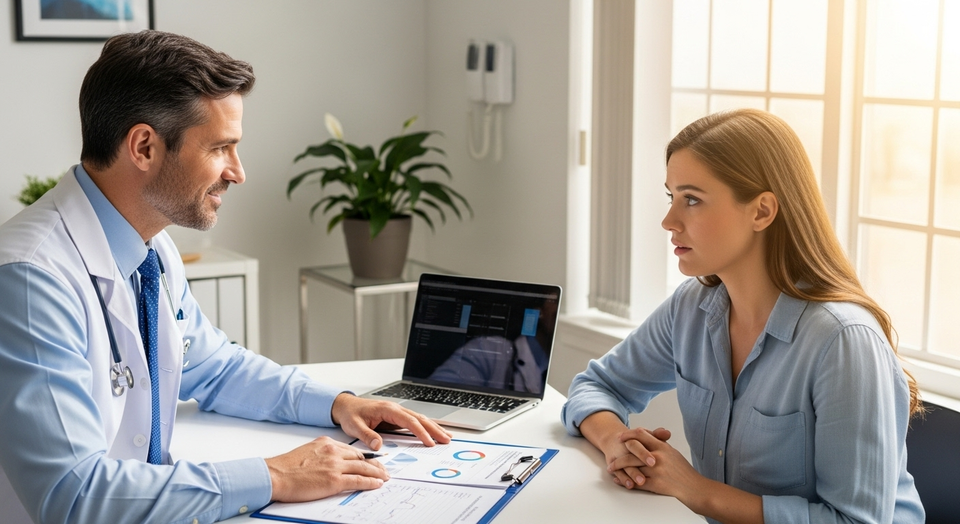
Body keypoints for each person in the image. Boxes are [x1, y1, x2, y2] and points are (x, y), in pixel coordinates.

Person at [0, 30, 451, 524]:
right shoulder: (30, 280)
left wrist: (340, 405)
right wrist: (275, 477)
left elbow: (216, 367)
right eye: (220, 148)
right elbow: (74, 494)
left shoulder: (149, 250)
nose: (237, 171)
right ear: (145, 147)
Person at [561, 109, 925, 523]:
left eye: (692, 200)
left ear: (762, 212)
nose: (669, 221)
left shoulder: (843, 341)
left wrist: (694, 489)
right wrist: (616, 442)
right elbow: (597, 385)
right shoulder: (691, 307)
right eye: (672, 197)